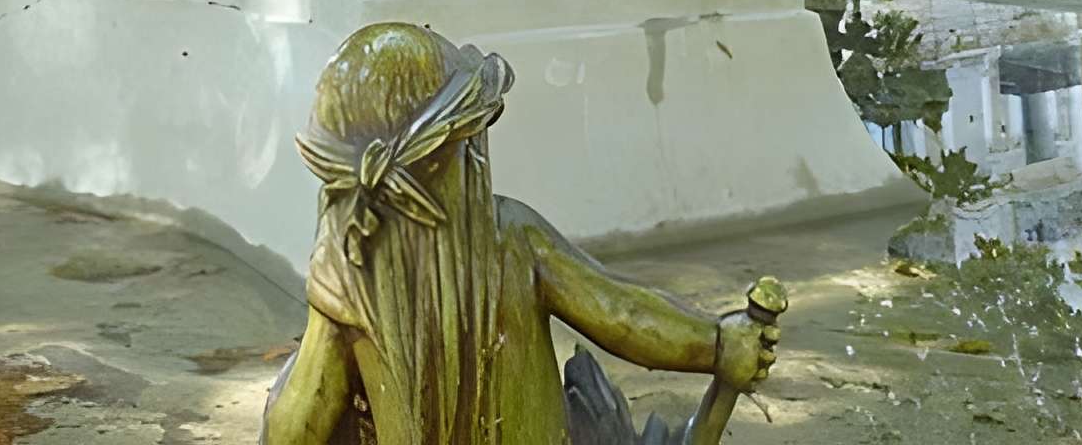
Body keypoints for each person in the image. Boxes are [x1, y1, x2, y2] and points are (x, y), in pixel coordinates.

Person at [263, 23, 779, 445]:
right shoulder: (512, 238)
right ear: (452, 158)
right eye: (474, 138)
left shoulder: (346, 275)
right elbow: (621, 313)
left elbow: (295, 425)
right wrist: (714, 342)